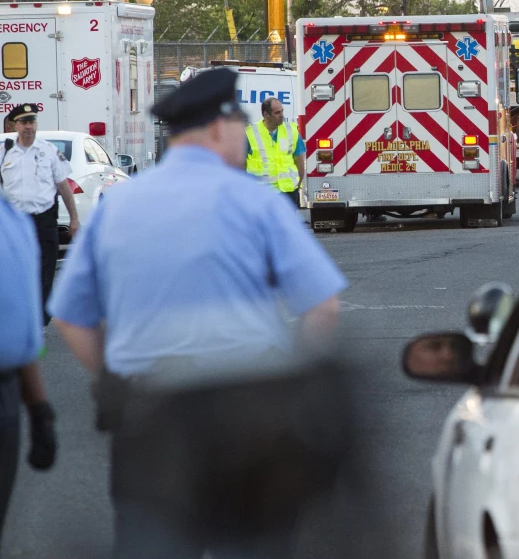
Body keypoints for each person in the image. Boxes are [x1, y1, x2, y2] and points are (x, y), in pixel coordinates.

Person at [48, 68, 347, 559]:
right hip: (250, 416)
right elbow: (322, 306)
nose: (245, 137)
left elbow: (69, 316)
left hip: (150, 417)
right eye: (239, 126)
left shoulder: (117, 207)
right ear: (216, 128)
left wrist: (114, 375)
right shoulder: (256, 202)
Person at [0, 192, 56, 540]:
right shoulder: (10, 223)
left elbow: (19, 332)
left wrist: (39, 410)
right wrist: (38, 409)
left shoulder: (11, 221)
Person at [0, 104, 80, 325]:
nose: (29, 127)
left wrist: (74, 218)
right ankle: (20, 316)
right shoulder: (5, 152)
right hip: (15, 222)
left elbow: (63, 187)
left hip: (44, 220)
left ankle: (40, 322)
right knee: (16, 271)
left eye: (32, 122)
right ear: (15, 125)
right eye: (24, 123)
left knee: (45, 271)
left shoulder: (49, 152)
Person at [245, 97, 304, 208]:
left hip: (289, 192)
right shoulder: (251, 133)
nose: (281, 115)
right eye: (277, 112)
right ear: (266, 114)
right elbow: (240, 165)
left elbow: (300, 162)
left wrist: (297, 185)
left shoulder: (291, 130)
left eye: (282, 111)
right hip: (261, 193)